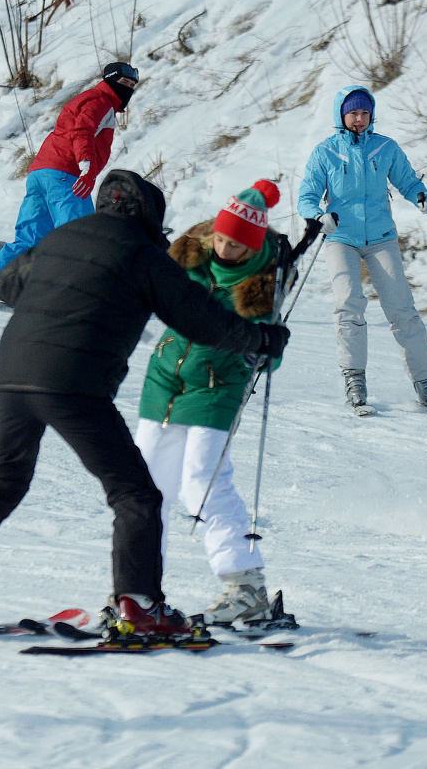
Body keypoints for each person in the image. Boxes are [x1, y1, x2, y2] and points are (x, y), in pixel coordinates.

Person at [0, 170, 291, 638]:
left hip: (11, 374)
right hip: (73, 382)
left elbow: (8, 283)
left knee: (1, 479)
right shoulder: (143, 255)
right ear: (149, 215)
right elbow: (205, 322)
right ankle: (140, 607)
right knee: (136, 493)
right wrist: (264, 338)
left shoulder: (64, 235)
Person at [134, 180, 290, 625]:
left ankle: (245, 584)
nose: (224, 249)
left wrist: (262, 353)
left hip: (217, 385)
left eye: (236, 244)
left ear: (254, 245)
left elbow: (267, 353)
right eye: (220, 238)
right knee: (144, 487)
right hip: (163, 379)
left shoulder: (262, 284)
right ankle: (138, 587)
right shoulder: (188, 255)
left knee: (202, 482)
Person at [297, 85, 427, 414]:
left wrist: (421, 195)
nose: (360, 119)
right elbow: (306, 195)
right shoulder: (326, 152)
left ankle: (425, 380)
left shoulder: (385, 148)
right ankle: (354, 377)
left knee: (402, 307)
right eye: (354, 113)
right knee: (349, 303)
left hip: (381, 236)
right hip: (341, 237)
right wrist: (318, 216)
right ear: (341, 116)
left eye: (365, 113)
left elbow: (407, 180)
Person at [0, 62, 140, 298]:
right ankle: (75, 289)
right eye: (123, 83)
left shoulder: (90, 99)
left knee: (31, 235)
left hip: (41, 172)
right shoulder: (101, 101)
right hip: (68, 174)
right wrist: (85, 164)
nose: (128, 89)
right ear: (109, 81)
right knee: (78, 234)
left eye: (131, 85)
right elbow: (82, 130)